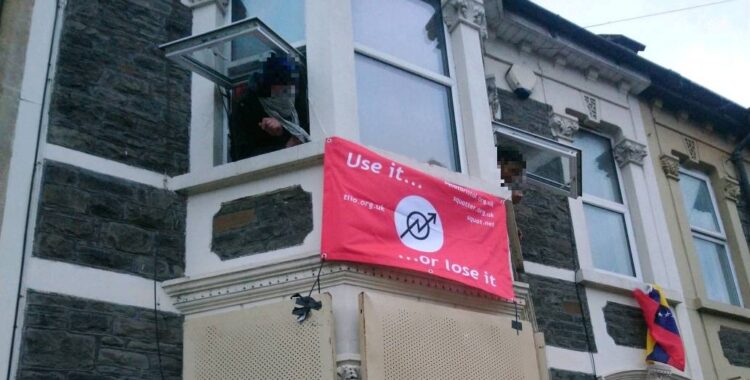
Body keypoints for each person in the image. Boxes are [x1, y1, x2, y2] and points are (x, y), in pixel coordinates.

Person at [229, 54, 310, 161]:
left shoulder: (300, 99)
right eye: (283, 89)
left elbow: (308, 132)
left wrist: (283, 132)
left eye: (292, 88)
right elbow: (242, 156)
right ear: (269, 86)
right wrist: (284, 146)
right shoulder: (245, 109)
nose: (289, 95)